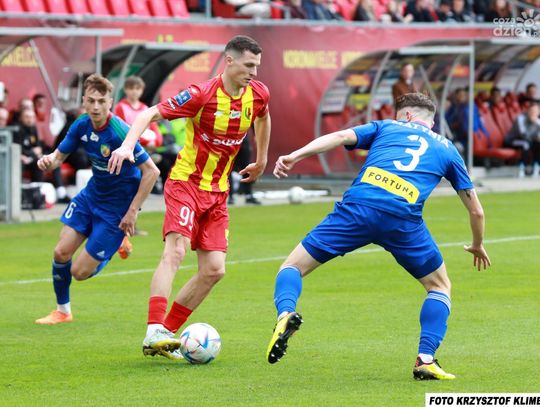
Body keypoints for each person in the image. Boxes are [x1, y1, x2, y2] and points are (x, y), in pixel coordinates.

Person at [265, 93, 491, 381]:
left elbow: (339, 136)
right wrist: (477, 244)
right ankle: (425, 360)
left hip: (358, 208)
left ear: (406, 115)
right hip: (403, 220)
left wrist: (295, 156)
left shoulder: (386, 126)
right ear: (428, 121)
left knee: (292, 266)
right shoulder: (447, 148)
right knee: (439, 286)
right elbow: (477, 211)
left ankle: (286, 313)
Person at [108, 35, 271, 360]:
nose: (254, 72)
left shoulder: (258, 93)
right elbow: (147, 114)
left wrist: (262, 159)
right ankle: (154, 328)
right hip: (186, 184)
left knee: (214, 270)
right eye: (249, 65)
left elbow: (264, 117)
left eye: (257, 66)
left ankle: (164, 335)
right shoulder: (201, 94)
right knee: (176, 250)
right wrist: (127, 146)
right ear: (229, 61)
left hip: (218, 193)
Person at [34, 74, 159, 325]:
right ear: (84, 101)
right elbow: (59, 156)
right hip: (91, 197)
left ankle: (116, 243)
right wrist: (49, 161)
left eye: (101, 101)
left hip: (116, 209)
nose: (95, 107)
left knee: (79, 272)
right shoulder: (81, 124)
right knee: (61, 252)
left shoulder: (120, 131)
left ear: (110, 102)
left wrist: (132, 211)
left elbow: (152, 172)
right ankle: (63, 312)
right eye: (91, 101)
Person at [505, 101, 540, 178]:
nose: (533, 113)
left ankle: (536, 166)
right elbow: (523, 134)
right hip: (512, 141)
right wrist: (534, 124)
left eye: (536, 111)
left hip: (528, 141)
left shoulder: (538, 122)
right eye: (532, 111)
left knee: (537, 144)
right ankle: (522, 167)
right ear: (528, 110)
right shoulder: (521, 118)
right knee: (525, 144)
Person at [13, 108, 44, 182]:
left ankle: (37, 186)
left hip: (30, 157)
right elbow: (18, 149)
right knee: (19, 163)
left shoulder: (33, 128)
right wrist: (32, 152)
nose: (30, 119)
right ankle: (18, 187)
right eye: (27, 117)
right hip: (19, 157)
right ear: (21, 118)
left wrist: (38, 151)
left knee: (40, 162)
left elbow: (38, 145)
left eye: (32, 117)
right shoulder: (17, 129)